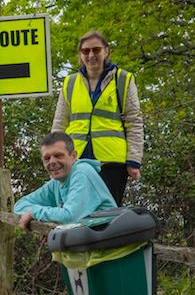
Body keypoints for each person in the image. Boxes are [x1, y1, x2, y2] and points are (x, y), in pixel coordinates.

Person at [51, 30, 144, 206]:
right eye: (86, 51)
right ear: (80, 54)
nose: (91, 55)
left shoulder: (123, 80)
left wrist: (134, 161)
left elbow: (134, 122)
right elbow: (59, 124)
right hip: (75, 160)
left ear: (106, 51)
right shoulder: (70, 83)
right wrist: (53, 158)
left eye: (96, 50)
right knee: (76, 215)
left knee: (107, 217)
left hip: (111, 163)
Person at [15, 132, 117, 230]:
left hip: (111, 241)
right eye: (47, 158)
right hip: (90, 241)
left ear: (73, 156)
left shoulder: (82, 173)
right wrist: (50, 218)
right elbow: (19, 206)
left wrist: (34, 213)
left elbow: (70, 217)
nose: (52, 162)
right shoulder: (56, 183)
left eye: (58, 155)